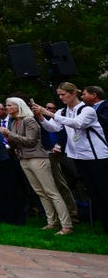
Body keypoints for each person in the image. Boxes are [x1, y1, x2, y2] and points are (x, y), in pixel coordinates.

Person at [33, 82, 108, 233]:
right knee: (93, 192)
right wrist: (40, 116)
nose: (61, 97)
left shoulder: (87, 110)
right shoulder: (63, 111)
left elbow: (78, 124)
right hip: (79, 156)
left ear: (73, 93)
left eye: (63, 94)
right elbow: (53, 127)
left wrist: (50, 114)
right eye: (59, 95)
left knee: (104, 190)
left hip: (97, 156)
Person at [0, 97, 72, 235]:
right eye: (6, 105)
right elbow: (16, 141)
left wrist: (9, 134)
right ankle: (52, 222)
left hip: (37, 158)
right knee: (40, 192)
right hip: (23, 158)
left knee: (51, 191)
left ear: (18, 106)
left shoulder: (29, 120)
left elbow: (31, 141)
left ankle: (67, 225)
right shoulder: (14, 122)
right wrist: (8, 142)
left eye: (9, 105)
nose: (6, 108)